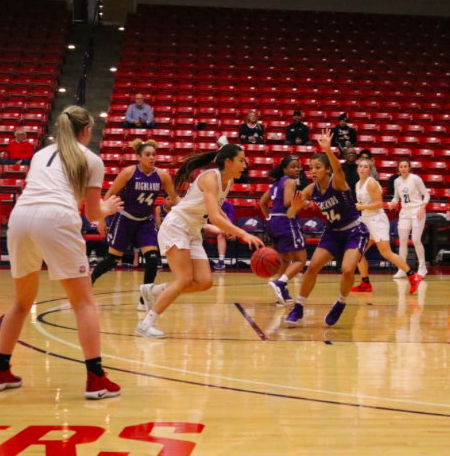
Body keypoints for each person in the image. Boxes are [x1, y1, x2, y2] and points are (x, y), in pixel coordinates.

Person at [0, 106, 124, 399]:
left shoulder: (40, 154)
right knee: (83, 303)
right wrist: (108, 208)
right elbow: (93, 212)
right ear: (85, 131)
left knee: (21, 302)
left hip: (21, 218)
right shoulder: (91, 159)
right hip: (56, 218)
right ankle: (96, 378)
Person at [136, 145, 264, 338]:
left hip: (193, 230)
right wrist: (242, 233)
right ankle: (146, 324)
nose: (245, 165)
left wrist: (228, 226)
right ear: (228, 162)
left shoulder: (227, 182)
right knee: (184, 280)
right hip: (177, 226)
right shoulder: (210, 178)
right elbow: (214, 216)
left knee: (204, 282)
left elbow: (217, 209)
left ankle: (153, 291)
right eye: (241, 160)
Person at [283, 129, 370, 326]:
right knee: (312, 267)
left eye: (318, 167)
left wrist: (328, 150)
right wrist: (295, 208)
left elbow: (338, 170)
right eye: (310, 168)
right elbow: (290, 214)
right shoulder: (311, 189)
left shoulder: (337, 182)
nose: (313, 171)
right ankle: (298, 307)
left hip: (354, 231)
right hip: (332, 232)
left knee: (347, 269)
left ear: (327, 169)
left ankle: (340, 303)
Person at [90, 139, 179, 311]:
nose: (152, 158)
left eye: (154, 155)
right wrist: (101, 218)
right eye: (147, 155)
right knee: (112, 260)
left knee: (152, 259)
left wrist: (189, 209)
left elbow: (175, 197)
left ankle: (144, 300)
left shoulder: (162, 175)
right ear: (138, 157)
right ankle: (90, 279)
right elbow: (109, 194)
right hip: (125, 219)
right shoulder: (128, 173)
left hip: (145, 221)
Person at [351, 159, 422, 294]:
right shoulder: (357, 184)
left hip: (377, 220)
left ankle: (413, 275)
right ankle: (365, 283)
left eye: (365, 167)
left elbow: (379, 204)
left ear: (370, 170)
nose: (362, 169)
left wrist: (360, 206)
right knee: (357, 253)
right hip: (366, 220)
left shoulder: (371, 183)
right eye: (360, 166)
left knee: (386, 253)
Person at [259, 156, 307, 306]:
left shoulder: (275, 183)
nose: (297, 169)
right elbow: (287, 202)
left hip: (273, 222)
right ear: (285, 169)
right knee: (300, 259)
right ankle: (280, 283)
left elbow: (262, 203)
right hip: (286, 221)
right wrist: (302, 204)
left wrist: (269, 217)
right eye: (293, 166)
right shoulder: (290, 182)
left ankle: (281, 294)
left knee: (285, 260)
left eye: (298, 166)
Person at [391, 160, 430, 278]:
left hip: (417, 210)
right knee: (402, 241)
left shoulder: (415, 179)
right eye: (401, 167)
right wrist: (392, 203)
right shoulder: (396, 181)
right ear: (398, 168)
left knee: (416, 240)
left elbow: (426, 194)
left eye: (405, 166)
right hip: (404, 212)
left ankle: (422, 267)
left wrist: (422, 208)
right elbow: (396, 198)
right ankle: (402, 269)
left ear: (409, 168)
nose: (403, 169)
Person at [203, 200, 235, 271]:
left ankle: (221, 261)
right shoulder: (211, 204)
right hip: (213, 229)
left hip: (225, 229)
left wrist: (224, 228)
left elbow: (229, 222)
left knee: (220, 235)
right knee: (206, 226)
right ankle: (225, 232)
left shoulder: (229, 205)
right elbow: (211, 220)